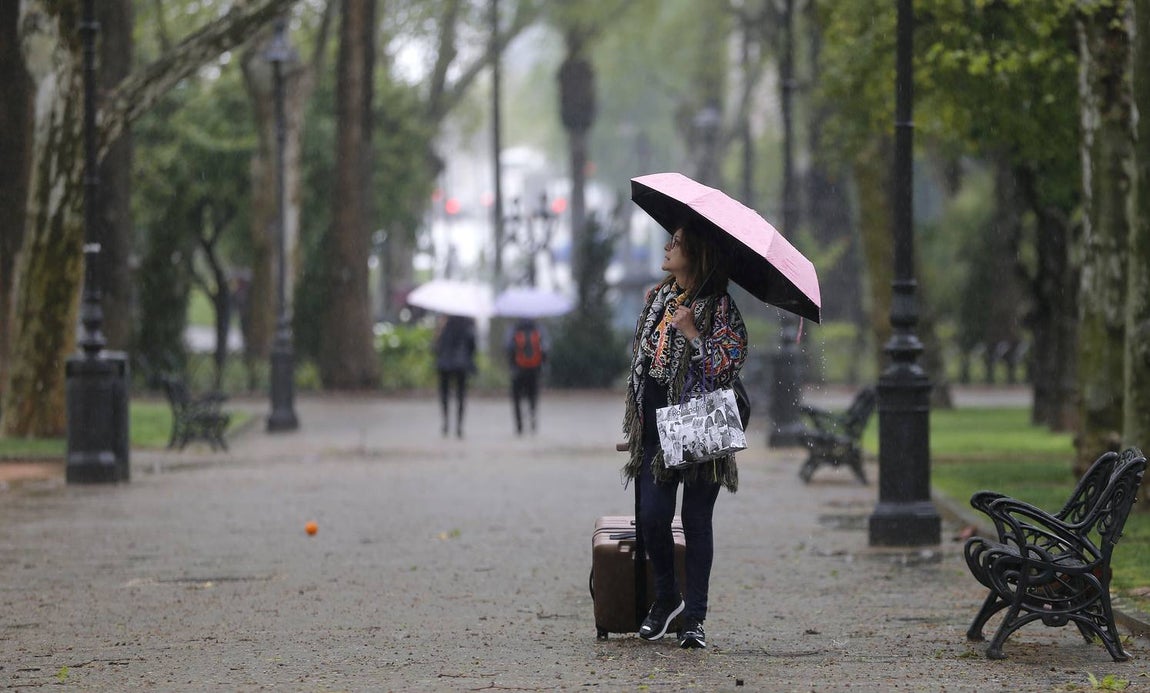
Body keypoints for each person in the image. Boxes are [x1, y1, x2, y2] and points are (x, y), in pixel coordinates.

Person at [622, 223, 747, 649]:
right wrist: (638, 426)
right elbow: (642, 371)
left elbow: (726, 368)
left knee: (696, 522)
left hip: (699, 428)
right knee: (651, 517)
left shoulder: (720, 308)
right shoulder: (658, 299)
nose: (667, 246)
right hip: (657, 427)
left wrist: (694, 332)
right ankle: (667, 598)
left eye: (675, 243)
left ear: (695, 254)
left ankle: (694, 619)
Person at [434, 315, 477, 438]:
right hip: (461, 364)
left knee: (444, 395)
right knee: (461, 395)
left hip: (445, 363)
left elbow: (435, 347)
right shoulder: (467, 323)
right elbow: (472, 344)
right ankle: (459, 426)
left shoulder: (443, 323)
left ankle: (446, 423)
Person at [506, 317, 547, 435]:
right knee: (532, 396)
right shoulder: (539, 328)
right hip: (534, 369)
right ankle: (532, 417)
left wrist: (512, 363)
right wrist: (542, 365)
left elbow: (508, 347)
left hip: (517, 370)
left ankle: (519, 425)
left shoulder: (513, 329)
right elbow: (545, 348)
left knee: (516, 398)